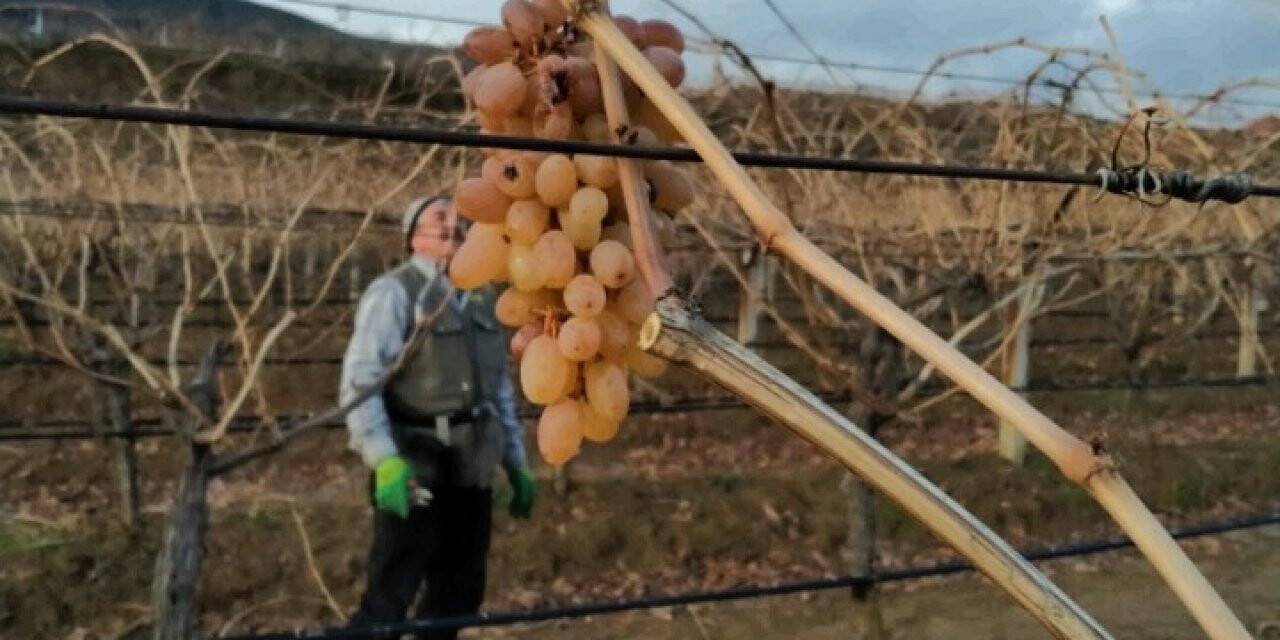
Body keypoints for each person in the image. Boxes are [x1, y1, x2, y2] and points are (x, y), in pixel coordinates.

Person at [340, 195, 537, 639]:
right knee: (390, 594)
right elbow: (360, 381)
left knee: (459, 595)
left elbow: (499, 391)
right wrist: (383, 458)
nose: (456, 225)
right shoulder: (396, 293)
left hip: (473, 464)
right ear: (414, 238)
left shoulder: (483, 299)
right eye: (440, 217)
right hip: (417, 462)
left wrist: (516, 461)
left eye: (462, 219)